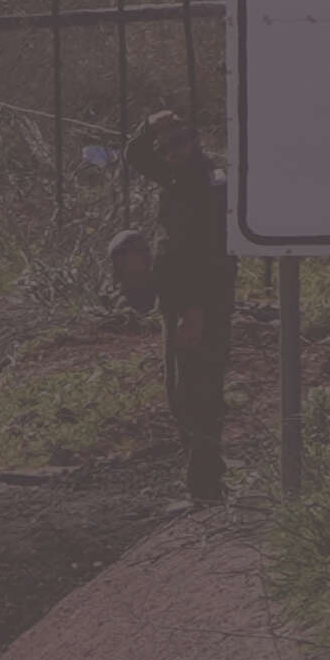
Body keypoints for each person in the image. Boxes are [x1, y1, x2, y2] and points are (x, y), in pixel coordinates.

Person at [109, 110, 235, 504]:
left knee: (199, 396)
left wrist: (195, 311)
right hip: (176, 297)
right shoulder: (179, 178)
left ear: (195, 140)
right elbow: (136, 156)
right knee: (181, 395)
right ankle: (205, 482)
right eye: (164, 148)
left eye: (177, 143)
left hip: (201, 303)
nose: (169, 153)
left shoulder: (210, 187)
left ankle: (206, 488)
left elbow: (212, 256)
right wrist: (149, 127)